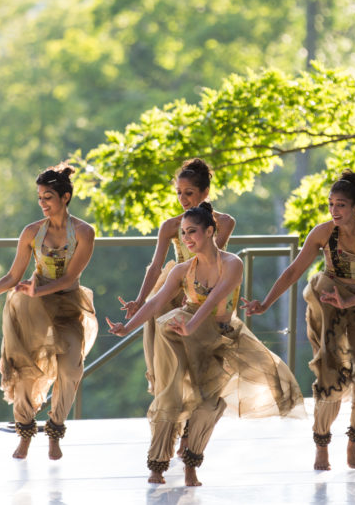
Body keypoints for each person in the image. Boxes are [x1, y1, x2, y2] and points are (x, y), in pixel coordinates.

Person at [107, 202, 304, 486]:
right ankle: (157, 466)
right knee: (172, 395)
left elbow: (214, 301)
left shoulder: (232, 263)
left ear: (210, 231)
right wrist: (127, 326)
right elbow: (156, 303)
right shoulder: (182, 270)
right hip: (181, 334)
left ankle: (191, 464)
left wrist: (192, 325)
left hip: (219, 335)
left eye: (193, 232)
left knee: (210, 403)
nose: (186, 238)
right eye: (184, 233)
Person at [244, 170, 355, 471]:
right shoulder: (322, 233)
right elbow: (294, 271)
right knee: (332, 374)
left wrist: (350, 300)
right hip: (329, 301)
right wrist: (265, 303)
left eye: (341, 205)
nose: (334, 211)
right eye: (331, 204)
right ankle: (321, 443)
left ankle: (354, 439)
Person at [0, 164, 97, 460]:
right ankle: (26, 433)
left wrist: (38, 289)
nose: (43, 203)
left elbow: (70, 278)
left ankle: (55, 429)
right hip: (33, 308)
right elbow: (13, 276)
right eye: (40, 198)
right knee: (24, 372)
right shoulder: (32, 232)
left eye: (49, 197)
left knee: (71, 369)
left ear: (65, 197)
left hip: (67, 304)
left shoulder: (84, 231)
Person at [118, 157, 235, 395]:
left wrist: (193, 290)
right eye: (179, 193)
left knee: (203, 358)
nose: (182, 199)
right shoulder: (171, 226)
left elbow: (211, 258)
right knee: (168, 353)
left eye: (189, 193)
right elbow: (155, 267)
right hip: (174, 285)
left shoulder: (223, 222)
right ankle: (170, 400)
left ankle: (196, 407)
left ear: (206, 192)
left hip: (206, 287)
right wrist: (139, 301)